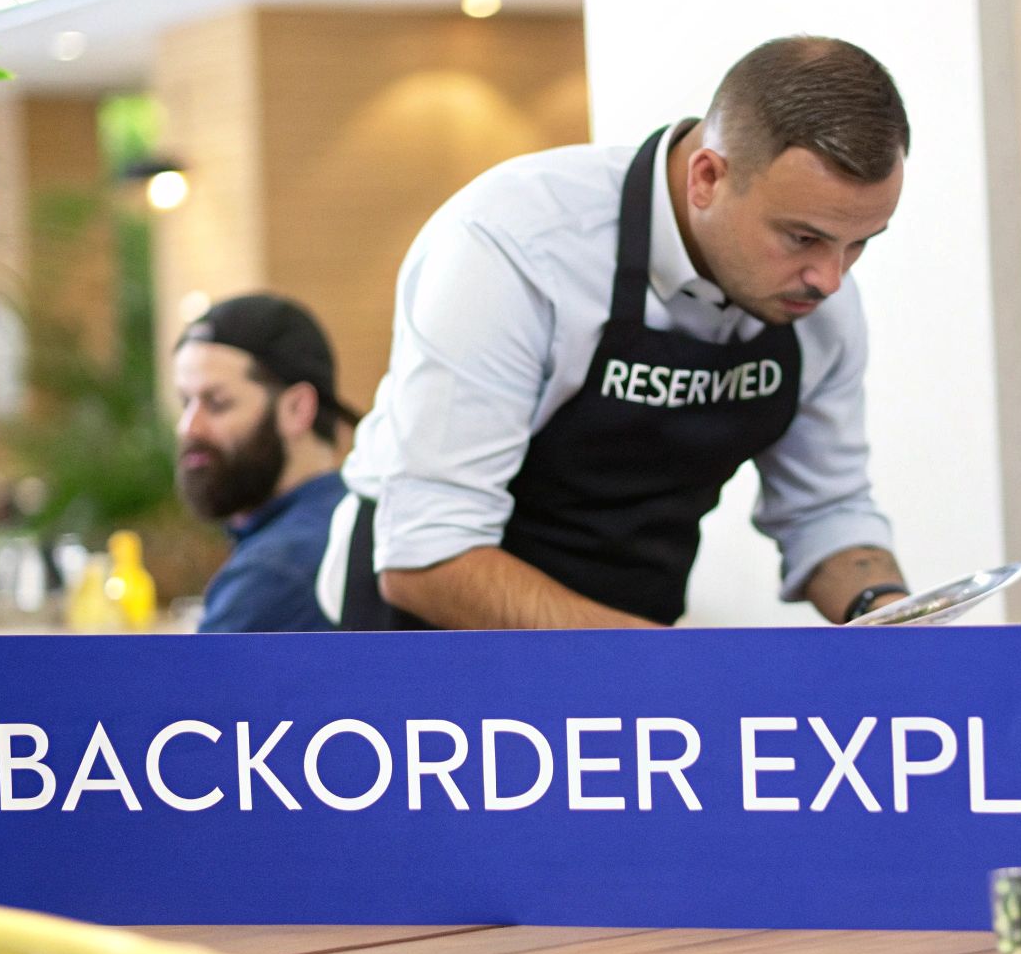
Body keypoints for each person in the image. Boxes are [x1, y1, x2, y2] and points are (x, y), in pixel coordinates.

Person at [324, 36, 917, 631]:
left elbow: (826, 510)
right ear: (707, 177)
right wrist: (660, 665)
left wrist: (890, 617)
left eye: (860, 242)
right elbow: (429, 556)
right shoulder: (516, 244)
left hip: (631, 624)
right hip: (428, 636)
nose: (831, 280)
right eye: (802, 238)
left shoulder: (819, 301)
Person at [174, 294, 355, 633]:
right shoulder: (348, 522)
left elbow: (191, 687)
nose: (188, 427)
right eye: (185, 402)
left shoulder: (275, 572)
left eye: (217, 403)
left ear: (297, 409)